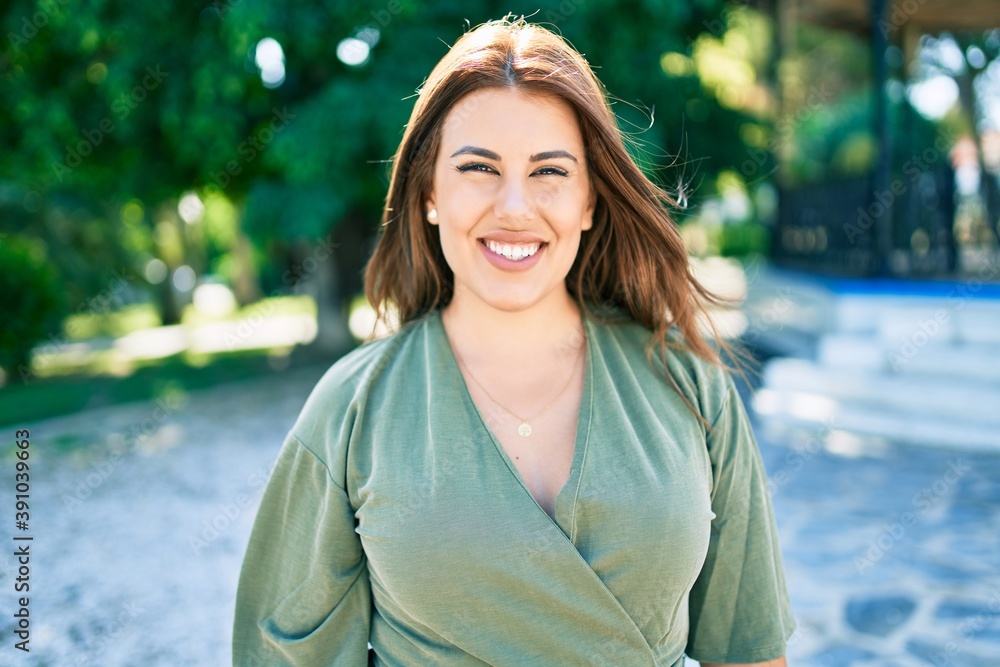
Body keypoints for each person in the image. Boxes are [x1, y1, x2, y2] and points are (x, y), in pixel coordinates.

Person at [233, 14, 796, 667]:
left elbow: (750, 651)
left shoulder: (690, 388)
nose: (515, 208)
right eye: (479, 167)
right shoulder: (351, 411)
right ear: (428, 194)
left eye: (549, 172)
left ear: (589, 200)